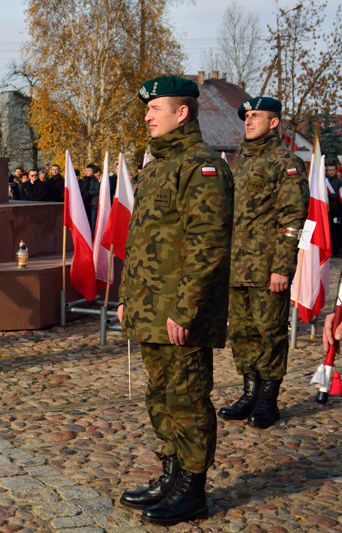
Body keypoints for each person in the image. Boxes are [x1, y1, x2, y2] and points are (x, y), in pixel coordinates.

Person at [116, 76, 233, 526]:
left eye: (155, 108)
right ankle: (171, 475)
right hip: (151, 308)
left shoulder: (202, 166)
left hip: (180, 312)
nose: (147, 115)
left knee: (187, 399)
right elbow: (142, 240)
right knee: (161, 396)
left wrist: (185, 309)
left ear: (181, 113)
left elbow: (207, 243)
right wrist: (129, 297)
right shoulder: (158, 166)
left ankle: (192, 491)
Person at [220, 97, 308, 429]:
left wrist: (282, 267)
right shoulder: (238, 165)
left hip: (267, 268)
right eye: (246, 116)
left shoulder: (285, 163)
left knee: (270, 332)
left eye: (256, 115)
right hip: (236, 267)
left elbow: (292, 219)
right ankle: (249, 393)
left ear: (274, 123)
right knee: (242, 333)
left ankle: (268, 400)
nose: (248, 120)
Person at [325, 163, 342, 256]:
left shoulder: (339, 182)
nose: (330, 172)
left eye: (332, 170)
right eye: (329, 170)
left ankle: (336, 250)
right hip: (326, 209)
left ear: (335, 171)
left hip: (336, 209)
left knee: (336, 231)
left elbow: (338, 196)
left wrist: (330, 196)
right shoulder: (324, 181)